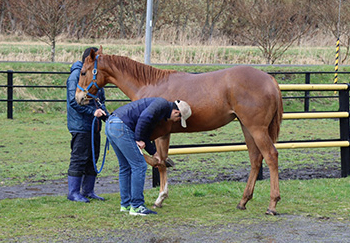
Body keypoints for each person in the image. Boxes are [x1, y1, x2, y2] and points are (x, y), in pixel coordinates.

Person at [105, 97, 192, 216]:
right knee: (139, 166)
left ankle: (126, 205)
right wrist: (138, 139)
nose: (176, 121)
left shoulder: (159, 110)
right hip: (121, 126)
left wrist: (154, 153)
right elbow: (144, 118)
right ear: (176, 112)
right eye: (179, 118)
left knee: (125, 166)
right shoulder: (161, 104)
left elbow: (145, 129)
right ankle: (137, 206)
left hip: (112, 124)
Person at [66, 47, 109, 203]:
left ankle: (88, 190)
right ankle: (73, 193)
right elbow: (74, 101)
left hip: (94, 125)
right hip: (81, 125)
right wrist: (93, 112)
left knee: (93, 157)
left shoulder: (96, 76)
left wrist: (106, 115)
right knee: (79, 158)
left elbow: (100, 101)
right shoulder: (76, 76)